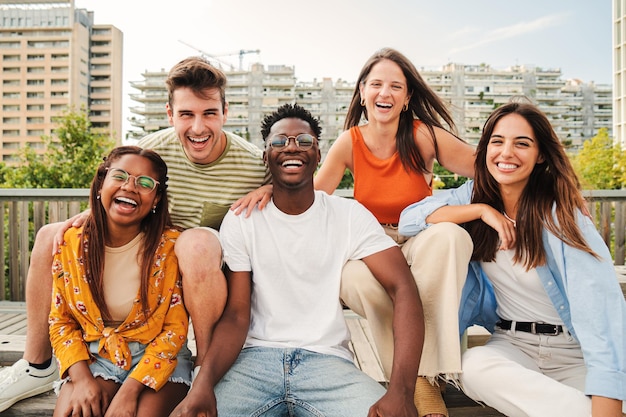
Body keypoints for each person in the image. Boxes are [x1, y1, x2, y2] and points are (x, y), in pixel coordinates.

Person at [0, 56, 270, 412]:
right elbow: (120, 185)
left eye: (209, 113)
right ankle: (37, 363)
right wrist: (88, 215)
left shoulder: (254, 163)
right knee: (53, 235)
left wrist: (273, 191)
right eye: (186, 114)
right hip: (156, 264)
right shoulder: (154, 149)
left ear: (226, 111)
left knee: (197, 244)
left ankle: (206, 366)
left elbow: (301, 195)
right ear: (170, 114)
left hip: (210, 271)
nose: (198, 126)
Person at [234, 47, 476, 417]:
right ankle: (417, 380)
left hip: (421, 236)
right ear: (362, 92)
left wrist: (508, 202)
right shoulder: (350, 141)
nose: (385, 93)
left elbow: (487, 169)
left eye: (396, 86)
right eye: (376, 84)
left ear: (408, 97)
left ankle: (429, 376)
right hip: (374, 242)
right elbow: (313, 191)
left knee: (451, 237)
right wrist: (274, 187)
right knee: (353, 279)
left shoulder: (423, 135)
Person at [170, 103, 425, 417]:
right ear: (267, 156)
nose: (291, 147)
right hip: (253, 363)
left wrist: (401, 391)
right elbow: (237, 316)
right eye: (279, 142)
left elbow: (404, 288)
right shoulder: (243, 220)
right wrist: (203, 384)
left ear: (318, 155)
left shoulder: (348, 216)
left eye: (304, 141)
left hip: (328, 365)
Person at [399, 100, 626, 417]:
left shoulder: (562, 215)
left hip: (574, 353)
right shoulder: (473, 196)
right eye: (497, 141)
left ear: (541, 155)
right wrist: (481, 211)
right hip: (513, 345)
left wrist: (608, 402)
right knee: (472, 366)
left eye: (522, 143)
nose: (506, 153)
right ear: (485, 149)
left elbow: (601, 314)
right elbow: (409, 219)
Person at [49, 146, 191, 417]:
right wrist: (81, 380)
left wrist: (129, 391)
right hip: (97, 356)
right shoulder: (71, 243)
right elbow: (61, 321)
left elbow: (175, 330)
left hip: (159, 357)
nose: (130, 187)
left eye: (145, 183)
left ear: (157, 198)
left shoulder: (170, 247)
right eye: (120, 176)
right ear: (101, 184)